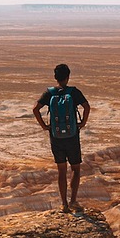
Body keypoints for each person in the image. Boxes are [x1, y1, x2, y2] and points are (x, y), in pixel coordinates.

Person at [33, 64, 91, 213]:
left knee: (61, 171)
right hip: (72, 136)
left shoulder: (50, 93)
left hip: (56, 136)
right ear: (68, 76)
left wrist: (45, 126)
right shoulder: (74, 92)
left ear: (55, 77)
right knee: (76, 169)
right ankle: (73, 201)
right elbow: (86, 106)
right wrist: (82, 123)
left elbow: (35, 109)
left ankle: (64, 204)